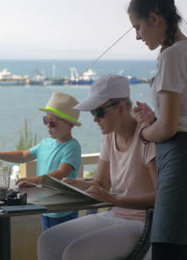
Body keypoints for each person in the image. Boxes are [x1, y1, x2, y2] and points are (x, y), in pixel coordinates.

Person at [37, 75, 157, 260]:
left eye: (99, 112)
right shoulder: (110, 136)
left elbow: (161, 196)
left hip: (143, 222)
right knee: (48, 240)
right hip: (115, 214)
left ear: (121, 107)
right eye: (92, 113)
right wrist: (75, 185)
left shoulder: (146, 135)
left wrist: (114, 200)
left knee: (76, 252)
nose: (95, 119)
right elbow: (101, 183)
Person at [128, 0, 187, 259]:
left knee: (168, 250)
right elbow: (186, 116)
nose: (137, 37)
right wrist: (155, 120)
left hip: (179, 160)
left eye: (137, 27)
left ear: (155, 19)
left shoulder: (172, 55)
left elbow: (170, 128)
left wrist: (143, 132)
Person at [0, 92, 82, 231]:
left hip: (64, 208)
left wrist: (34, 181)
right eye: (45, 121)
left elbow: (61, 173)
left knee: (64, 245)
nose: (48, 126)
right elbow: (23, 155)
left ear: (70, 124)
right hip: (46, 207)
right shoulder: (45, 143)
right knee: (48, 243)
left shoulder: (72, 147)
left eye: (53, 122)